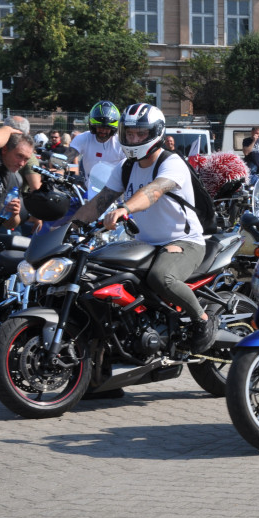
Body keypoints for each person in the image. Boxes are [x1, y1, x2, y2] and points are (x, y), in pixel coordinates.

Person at [70, 104, 216, 353]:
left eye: (141, 133)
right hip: (146, 245)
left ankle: (202, 320)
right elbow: (101, 201)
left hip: (185, 241)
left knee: (162, 277)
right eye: (130, 133)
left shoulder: (171, 163)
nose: (134, 139)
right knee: (100, 279)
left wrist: (125, 208)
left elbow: (154, 190)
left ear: (155, 133)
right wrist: (70, 227)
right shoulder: (125, 167)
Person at [0, 125, 34, 321]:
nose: (22, 163)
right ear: (5, 149)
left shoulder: (15, 180)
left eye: (26, 159)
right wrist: (8, 128)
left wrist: (13, 213)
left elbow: (11, 225)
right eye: (19, 156)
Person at [70, 101, 127, 184]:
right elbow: (69, 155)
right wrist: (58, 163)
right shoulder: (83, 138)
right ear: (93, 126)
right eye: (100, 127)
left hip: (114, 190)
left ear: (113, 129)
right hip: (88, 190)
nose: (103, 130)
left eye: (107, 127)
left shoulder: (121, 143)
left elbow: (128, 168)